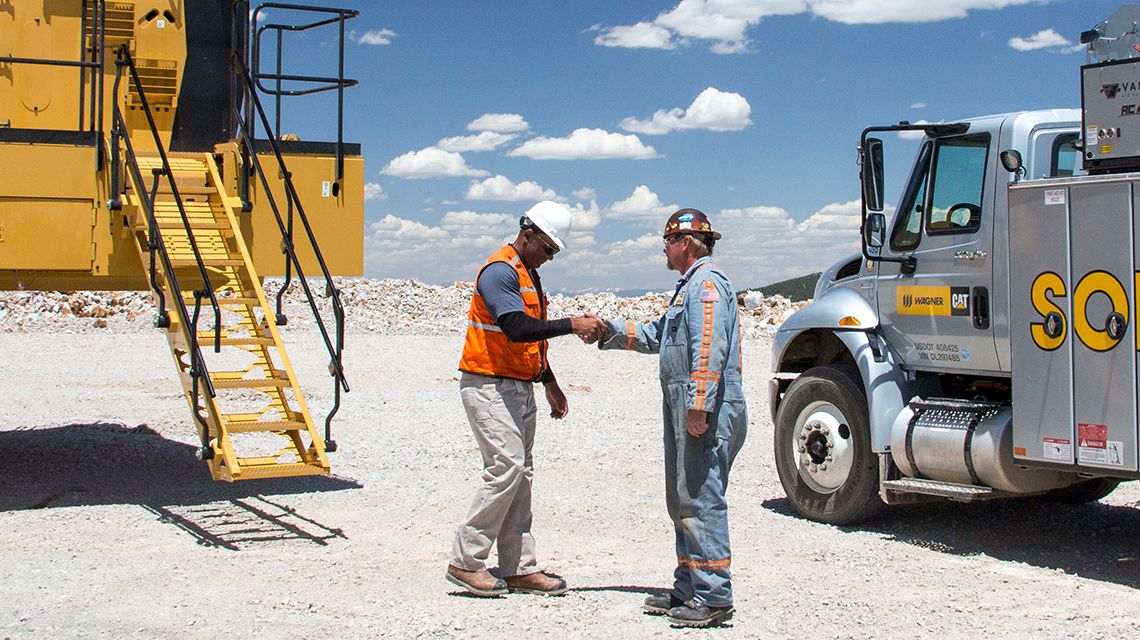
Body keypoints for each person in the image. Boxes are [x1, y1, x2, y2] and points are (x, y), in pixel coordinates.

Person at [447, 200, 608, 598]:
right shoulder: (499, 272)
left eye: (554, 252)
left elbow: (529, 340)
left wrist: (549, 382)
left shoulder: (529, 275)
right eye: (548, 248)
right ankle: (465, 561)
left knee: (521, 476)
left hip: (518, 384)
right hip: (487, 384)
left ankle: (518, 568)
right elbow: (516, 327)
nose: (549, 257)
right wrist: (573, 324)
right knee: (506, 466)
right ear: (528, 233)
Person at [595, 208, 747, 627]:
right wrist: (607, 330)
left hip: (704, 405)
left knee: (701, 496)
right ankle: (689, 587)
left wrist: (700, 404)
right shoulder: (688, 288)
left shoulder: (708, 285)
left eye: (667, 242)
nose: (663, 249)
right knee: (682, 497)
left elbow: (710, 346)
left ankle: (714, 596)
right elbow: (659, 335)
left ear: (684, 243)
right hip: (686, 401)